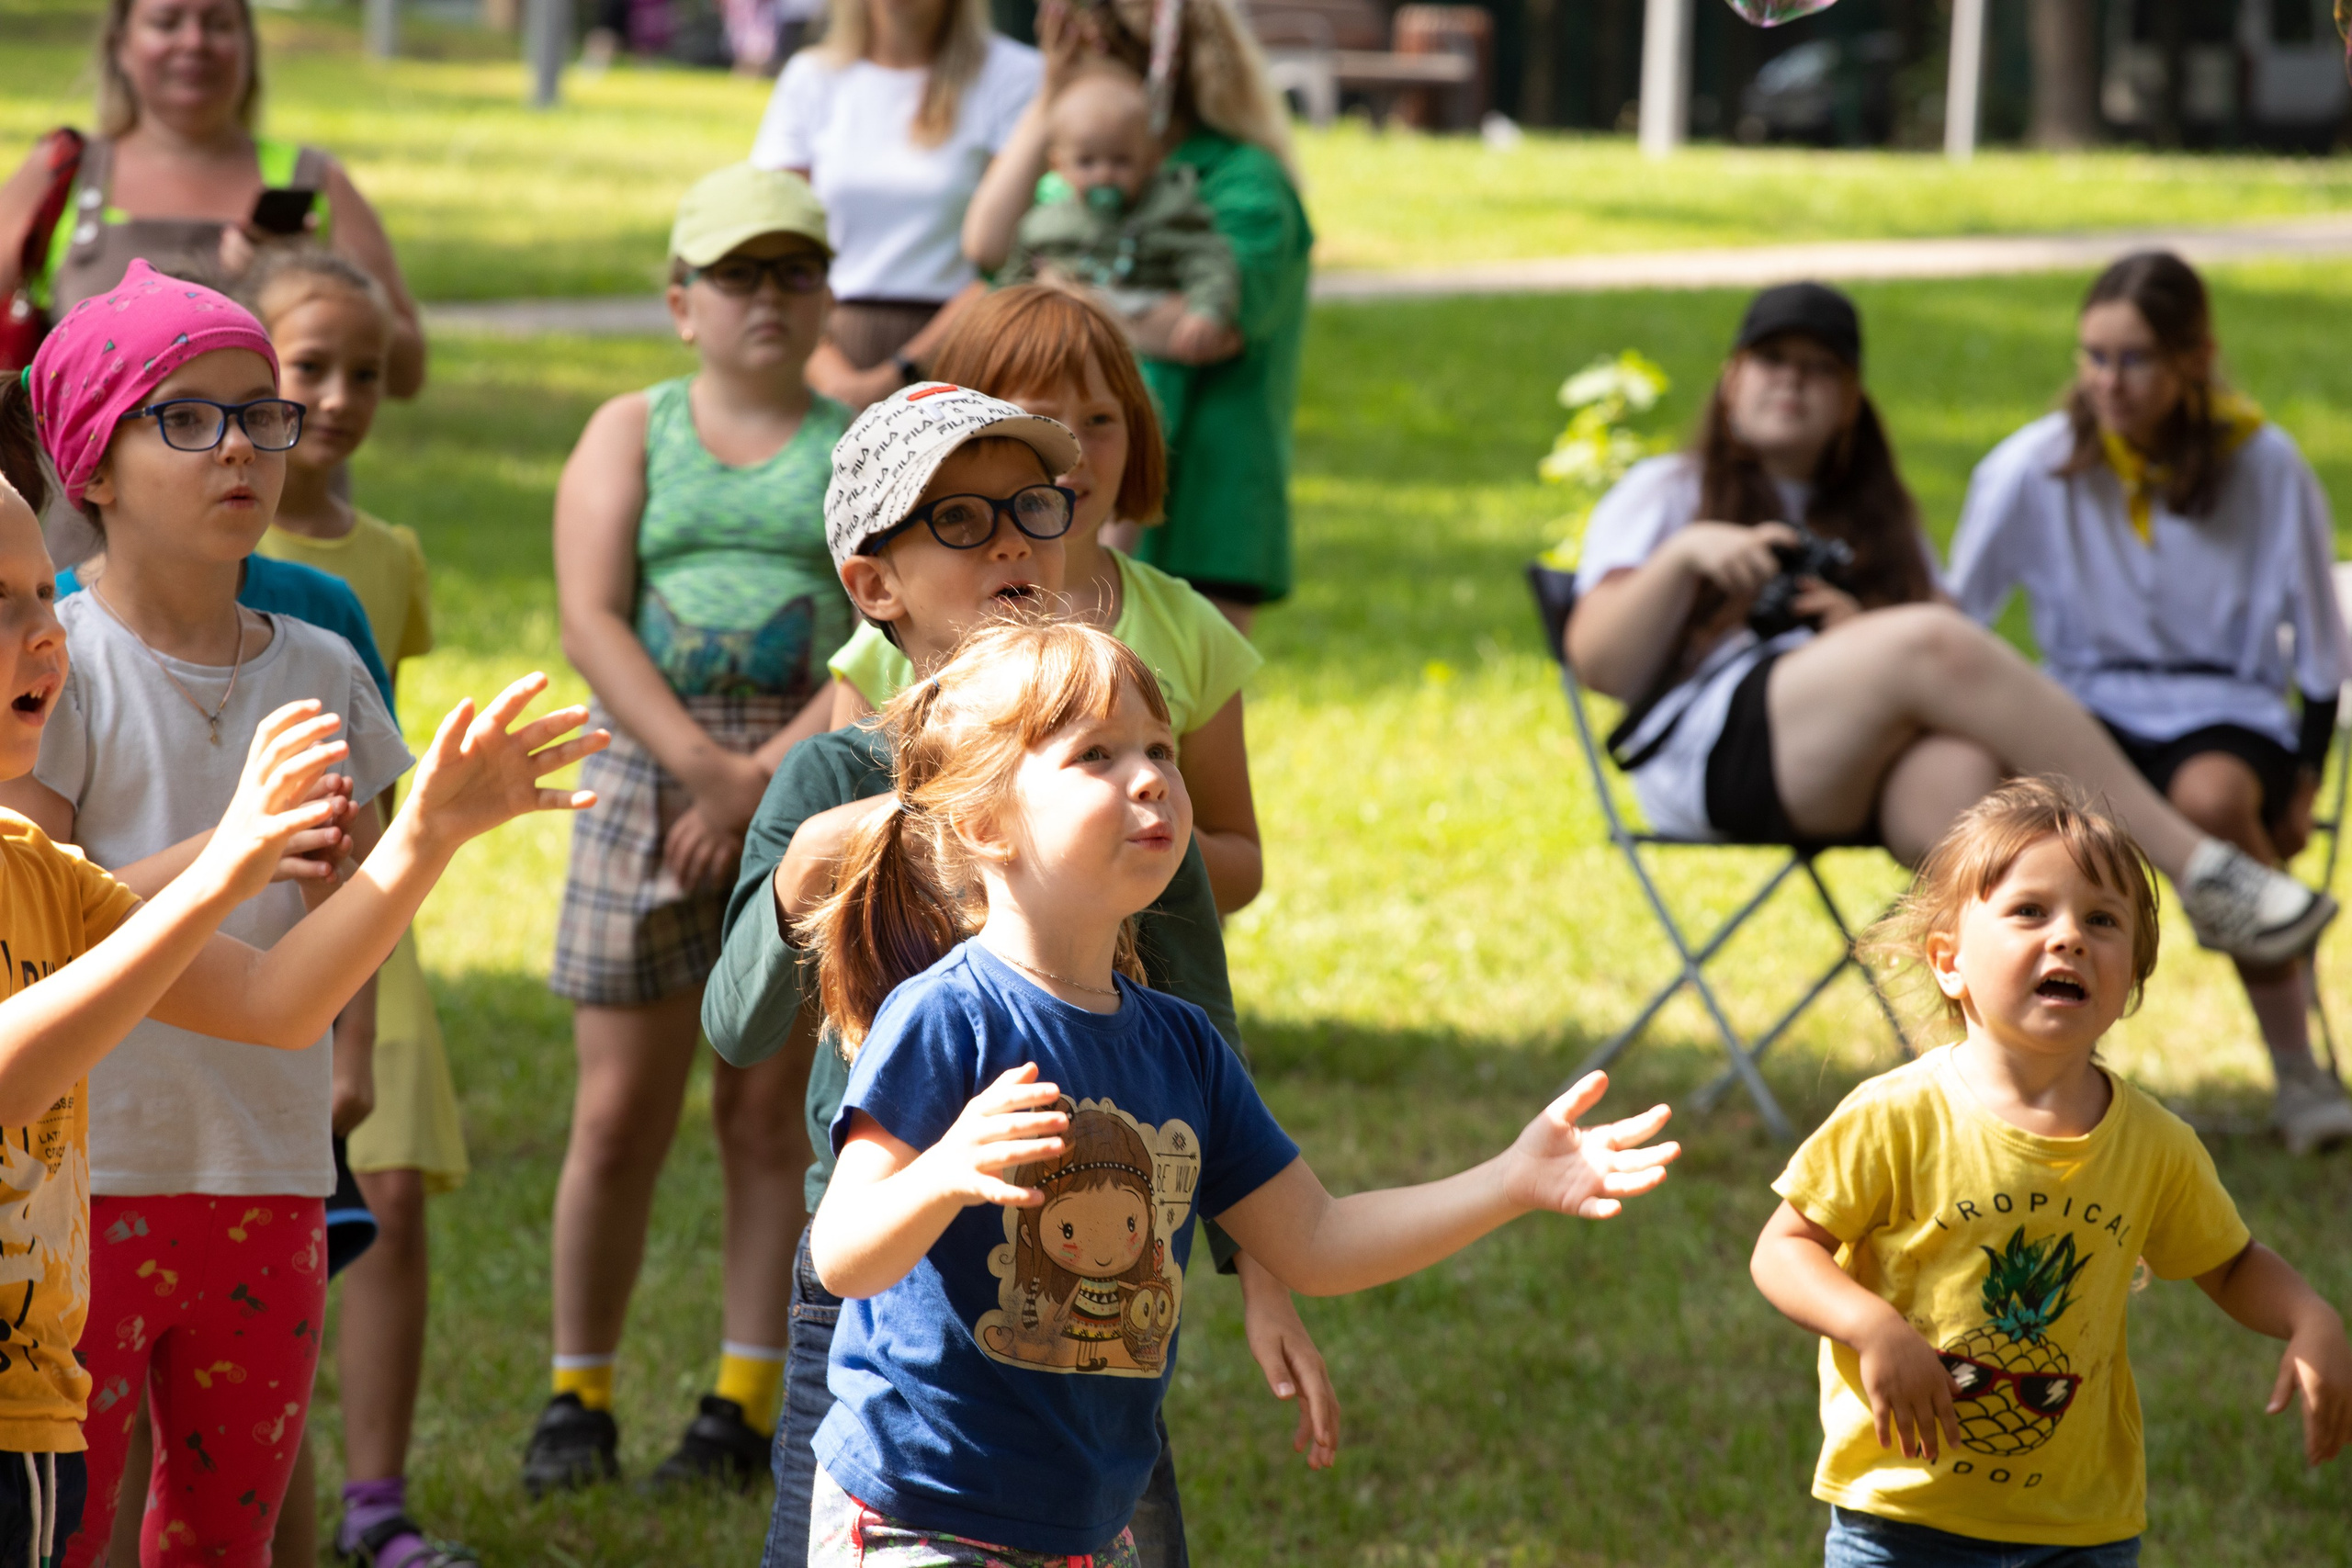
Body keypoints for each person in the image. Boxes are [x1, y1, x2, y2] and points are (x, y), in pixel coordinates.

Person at [798, 615, 1678, 1560]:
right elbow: (841, 1255)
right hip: (919, 1518)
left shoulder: (1180, 1044)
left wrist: (1508, 1181)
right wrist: (943, 1174)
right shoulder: (949, 1018)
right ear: (982, 824)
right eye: (1095, 754)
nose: (1151, 778)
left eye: (1160, 749)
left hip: (1085, 1529)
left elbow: (1318, 1243)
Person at [0, 260, 587, 1568]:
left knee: (230, 1529)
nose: (245, 448)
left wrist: (355, 1036)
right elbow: (43, 921)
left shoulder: (319, 659)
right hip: (88, 1171)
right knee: (67, 1527)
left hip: (265, 1166)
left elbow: (347, 885)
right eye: (189, 417)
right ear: (92, 464)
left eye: (263, 414)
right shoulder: (54, 663)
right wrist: (233, 844)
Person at [703, 382, 1326, 1566]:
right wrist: (807, 875)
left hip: (1103, 1273)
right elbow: (734, 1028)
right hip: (882, 1275)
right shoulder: (830, 780)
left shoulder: (1127, 786)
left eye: (1032, 508)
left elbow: (1204, 1026)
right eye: (956, 518)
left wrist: (1264, 1270)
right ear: (872, 584)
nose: (1009, 539)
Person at [1565, 280, 2335, 968]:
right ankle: (2199, 868)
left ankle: (2016, 1070)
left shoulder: (1877, 514)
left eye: (1820, 367)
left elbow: (1940, 653)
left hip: (1844, 766)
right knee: (1929, 644)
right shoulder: (1668, 490)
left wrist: (1858, 629)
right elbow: (1597, 658)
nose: (1792, 379)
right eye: (1771, 360)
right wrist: (1688, 556)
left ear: (1852, 401)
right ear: (1731, 382)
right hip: (1710, 757)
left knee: (1971, 786)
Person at [1750, 777, 2352, 1566]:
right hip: (1901, 1513)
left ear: (2130, 977)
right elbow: (1783, 1248)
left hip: (2080, 1530)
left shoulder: (2153, 1143)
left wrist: (2311, 1317)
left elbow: (2229, 1262)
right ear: (1949, 962)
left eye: (2101, 920)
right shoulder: (1897, 1115)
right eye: (2030, 911)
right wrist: (1874, 1327)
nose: (2068, 936)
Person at [525, 164, 854, 1496]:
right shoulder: (630, 428)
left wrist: (762, 782)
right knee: (617, 1112)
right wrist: (699, 769)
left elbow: (880, 626)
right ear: (680, 302)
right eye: (736, 275)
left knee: (767, 1106)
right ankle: (577, 1391)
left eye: (793, 272)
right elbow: (591, 612)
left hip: (807, 779)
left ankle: (742, 1393)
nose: (766, 298)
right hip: (642, 775)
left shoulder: (856, 437)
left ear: (827, 292)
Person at [1948, 252, 2352, 1158]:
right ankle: (2015, 1076)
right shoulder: (2033, 466)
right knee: (2028, 829)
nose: (2108, 382)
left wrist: (2304, 775)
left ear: (2192, 360)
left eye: (2133, 360)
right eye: (2093, 357)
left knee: (2212, 802)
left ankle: (2297, 1070)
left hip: (2222, 704)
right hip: (2082, 705)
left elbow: (2321, 643)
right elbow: (1953, 617)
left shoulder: (2264, 464)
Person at [239, 247, 478, 1568]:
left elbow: (381, 750)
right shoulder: (214, 529)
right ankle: (263, 1481)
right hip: (240, 928)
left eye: (365, 373)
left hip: (371, 923)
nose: (335, 398)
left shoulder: (384, 557)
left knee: (384, 1192)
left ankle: (376, 1497)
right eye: (306, 368)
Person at [824, 284, 1263, 911]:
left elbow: (1243, 866)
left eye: (1101, 420)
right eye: (1045, 418)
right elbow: (842, 859)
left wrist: (1137, 829)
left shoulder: (1190, 626)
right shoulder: (888, 645)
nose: (1076, 451)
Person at [964, 0, 1311, 629]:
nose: (1090, 84)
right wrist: (1051, 98)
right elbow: (988, 246)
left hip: (1205, 505)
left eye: (1106, 62)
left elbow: (1206, 328)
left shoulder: (1244, 180)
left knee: (1180, 705)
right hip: (1080, 504)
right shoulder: (1085, 178)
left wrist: (1071, 298)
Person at [0, 0, 424, 389]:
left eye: (218, 24)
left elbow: (407, 370)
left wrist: (305, 280)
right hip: (78, 475)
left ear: (248, 46)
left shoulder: (313, 180)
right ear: (120, 45)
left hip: (277, 473)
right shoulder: (64, 173)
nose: (194, 42)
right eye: (166, 23)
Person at [749, 0, 1040, 410]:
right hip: (820, 340)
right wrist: (827, 369)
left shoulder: (1015, 75)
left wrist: (900, 372)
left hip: (962, 345)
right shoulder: (811, 77)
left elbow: (1015, 254)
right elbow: (773, 233)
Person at [1000, 65, 1239, 367]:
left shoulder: (1168, 210)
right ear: (1058, 165)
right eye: (1086, 162)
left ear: (1151, 160)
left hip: (1145, 331)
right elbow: (1012, 279)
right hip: (1062, 342)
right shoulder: (1045, 223)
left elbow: (1208, 260)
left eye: (1121, 161)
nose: (1104, 175)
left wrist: (1207, 311)